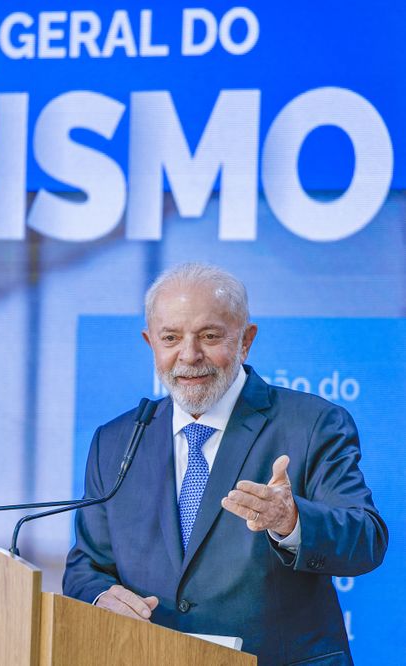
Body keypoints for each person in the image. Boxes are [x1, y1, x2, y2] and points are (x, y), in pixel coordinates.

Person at [63, 263, 387, 665]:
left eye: (210, 336)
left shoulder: (312, 423)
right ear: (150, 343)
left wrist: (292, 521)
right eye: (170, 338)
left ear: (246, 340)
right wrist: (99, 596)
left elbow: (367, 541)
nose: (189, 355)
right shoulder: (115, 441)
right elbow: (86, 566)